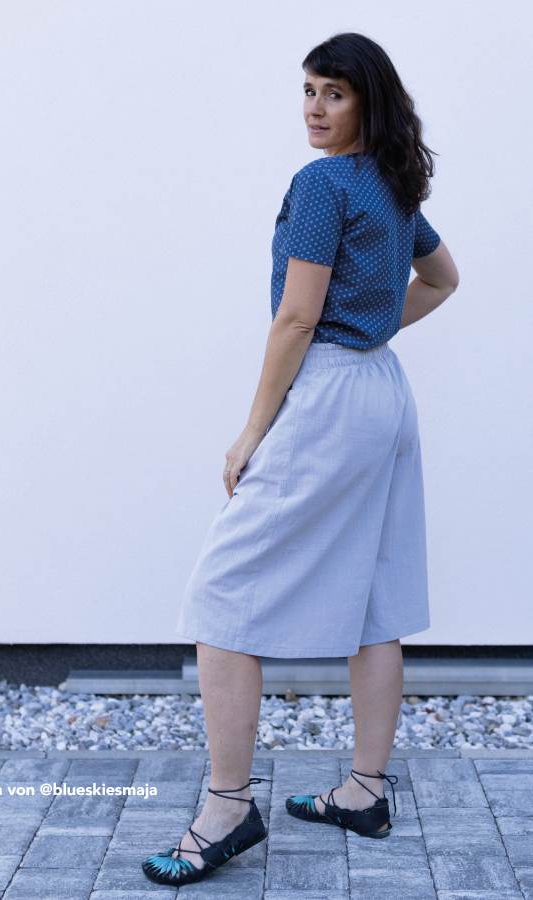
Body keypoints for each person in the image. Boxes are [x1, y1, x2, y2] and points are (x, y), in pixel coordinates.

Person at [142, 31, 459, 887]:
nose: (315, 109)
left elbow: (296, 318)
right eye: (309, 90)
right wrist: (377, 328)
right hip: (383, 391)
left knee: (224, 593)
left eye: (334, 93)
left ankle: (227, 808)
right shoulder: (392, 182)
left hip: (327, 395)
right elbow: (441, 279)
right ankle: (365, 791)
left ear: (368, 101)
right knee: (376, 598)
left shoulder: (323, 185)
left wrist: (252, 431)